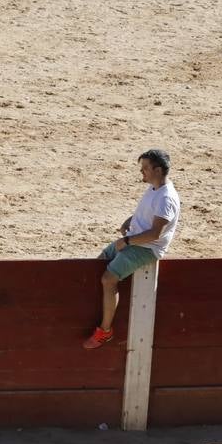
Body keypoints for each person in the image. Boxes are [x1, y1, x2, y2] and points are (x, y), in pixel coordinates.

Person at [83, 149, 180, 349]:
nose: (141, 172)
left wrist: (126, 242)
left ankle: (105, 332)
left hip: (146, 248)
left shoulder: (166, 198)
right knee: (98, 262)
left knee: (108, 279)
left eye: (145, 168)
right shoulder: (154, 189)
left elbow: (155, 234)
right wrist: (130, 220)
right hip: (134, 240)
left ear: (158, 170)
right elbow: (147, 215)